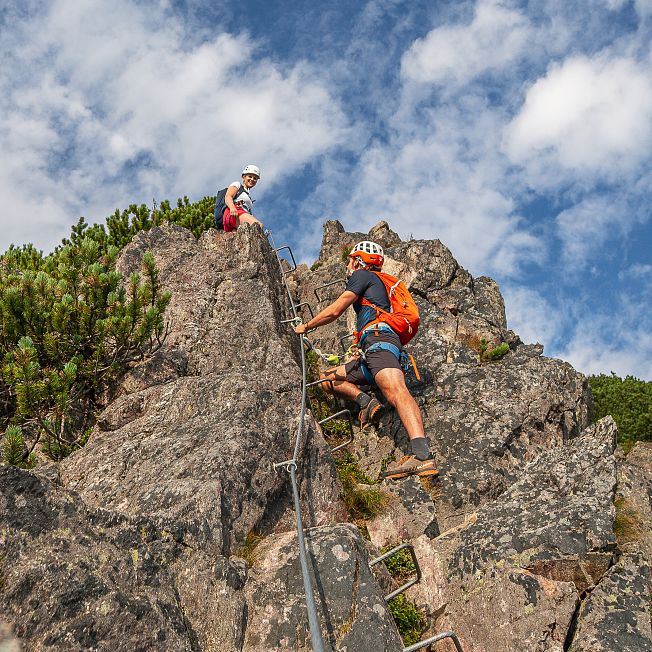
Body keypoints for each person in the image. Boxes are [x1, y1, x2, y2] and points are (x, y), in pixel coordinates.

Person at [294, 241, 438, 481]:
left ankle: (422, 457)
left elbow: (336, 310)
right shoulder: (375, 284)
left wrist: (307, 326)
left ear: (360, 261)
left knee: (396, 391)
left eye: (351, 260)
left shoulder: (362, 275)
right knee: (327, 379)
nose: (349, 265)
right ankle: (366, 402)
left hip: (379, 342)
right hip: (371, 349)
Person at [221, 165, 264, 232]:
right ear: (243, 177)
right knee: (258, 225)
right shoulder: (237, 184)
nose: (252, 179)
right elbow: (228, 196)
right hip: (234, 212)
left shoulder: (248, 196)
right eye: (250, 176)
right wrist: (232, 208)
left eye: (255, 178)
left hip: (238, 216)